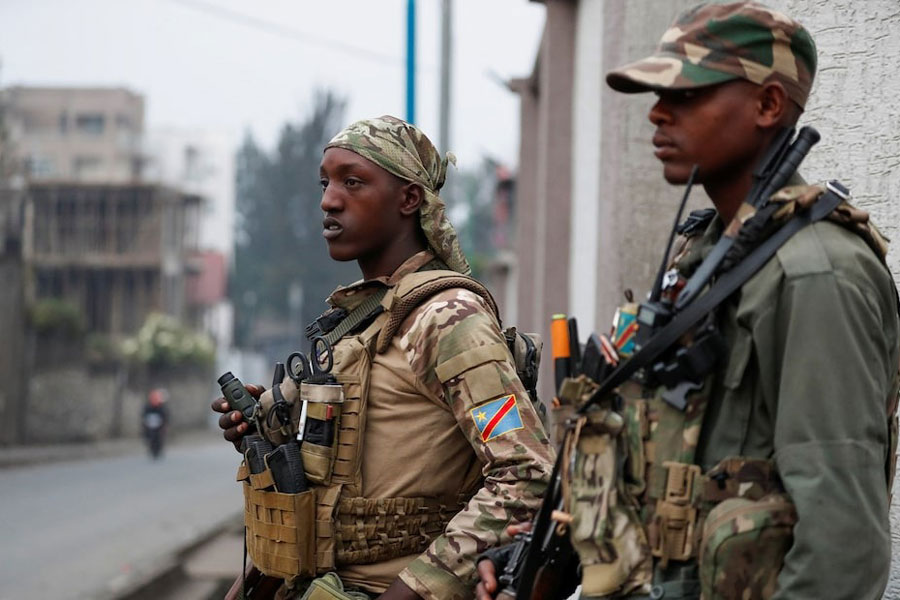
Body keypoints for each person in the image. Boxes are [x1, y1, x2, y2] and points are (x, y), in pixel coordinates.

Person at [477, 2, 899, 599]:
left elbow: (842, 550)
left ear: (768, 104)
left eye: (686, 94)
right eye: (656, 94)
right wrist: (537, 553)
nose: (656, 112)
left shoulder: (815, 273)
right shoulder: (705, 257)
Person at [213, 115, 554, 600]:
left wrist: (413, 590)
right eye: (325, 182)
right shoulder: (361, 318)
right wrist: (268, 426)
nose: (329, 199)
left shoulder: (449, 319)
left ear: (409, 199)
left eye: (353, 182)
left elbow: (526, 473)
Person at [142, 387, 169, 459]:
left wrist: (164, 424)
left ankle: (158, 449)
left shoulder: (161, 407)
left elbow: (165, 416)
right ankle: (152, 449)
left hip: (159, 424)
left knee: (160, 436)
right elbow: (144, 416)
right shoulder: (148, 407)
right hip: (150, 424)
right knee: (149, 436)